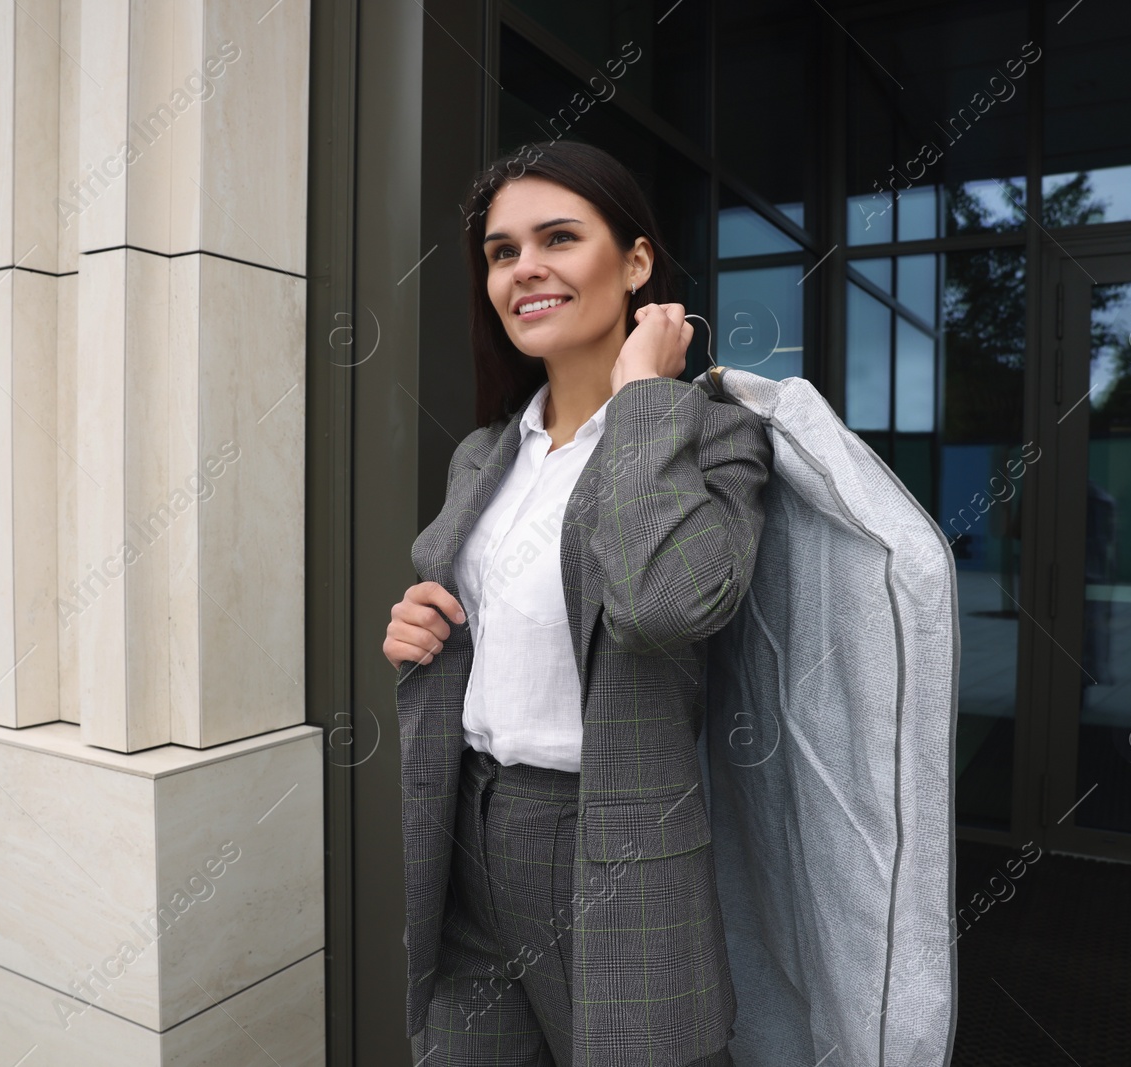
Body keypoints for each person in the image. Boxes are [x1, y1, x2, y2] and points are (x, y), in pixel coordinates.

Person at [383, 139, 772, 1067]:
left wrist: (642, 402)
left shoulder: (718, 442)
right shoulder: (484, 454)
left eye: (559, 237)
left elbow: (663, 605)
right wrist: (420, 630)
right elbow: (501, 623)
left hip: (609, 841)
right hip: (466, 827)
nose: (527, 269)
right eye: (502, 251)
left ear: (636, 263)